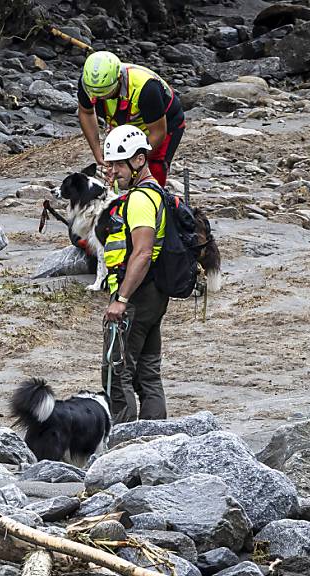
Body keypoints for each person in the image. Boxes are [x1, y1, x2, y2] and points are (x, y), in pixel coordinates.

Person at [99, 125, 170, 423]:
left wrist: (122, 299)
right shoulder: (152, 192)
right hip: (154, 294)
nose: (113, 170)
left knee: (117, 374)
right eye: (110, 163)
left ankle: (125, 444)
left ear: (139, 160)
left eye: (118, 163)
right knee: (148, 373)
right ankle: (157, 435)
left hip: (136, 296)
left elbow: (141, 253)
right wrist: (114, 183)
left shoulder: (140, 200)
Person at [78, 50, 185, 187]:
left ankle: (155, 197)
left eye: (105, 94)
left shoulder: (147, 88)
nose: (99, 98)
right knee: (116, 166)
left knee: (153, 166)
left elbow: (158, 133)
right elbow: (86, 113)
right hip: (126, 120)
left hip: (165, 123)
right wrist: (98, 153)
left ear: (119, 79)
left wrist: (134, 161)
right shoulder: (87, 84)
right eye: (95, 95)